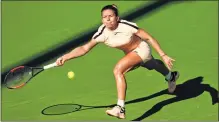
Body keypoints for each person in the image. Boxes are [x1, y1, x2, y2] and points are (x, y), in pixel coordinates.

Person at [56, 4, 179, 119]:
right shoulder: (102, 33)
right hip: (130, 54)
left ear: (117, 18)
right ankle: (171, 76)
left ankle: (120, 108)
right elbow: (84, 48)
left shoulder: (125, 26)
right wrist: (66, 57)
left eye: (110, 16)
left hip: (141, 49)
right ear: (102, 20)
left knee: (118, 70)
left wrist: (163, 54)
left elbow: (148, 37)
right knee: (153, 64)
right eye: (105, 17)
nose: (108, 19)